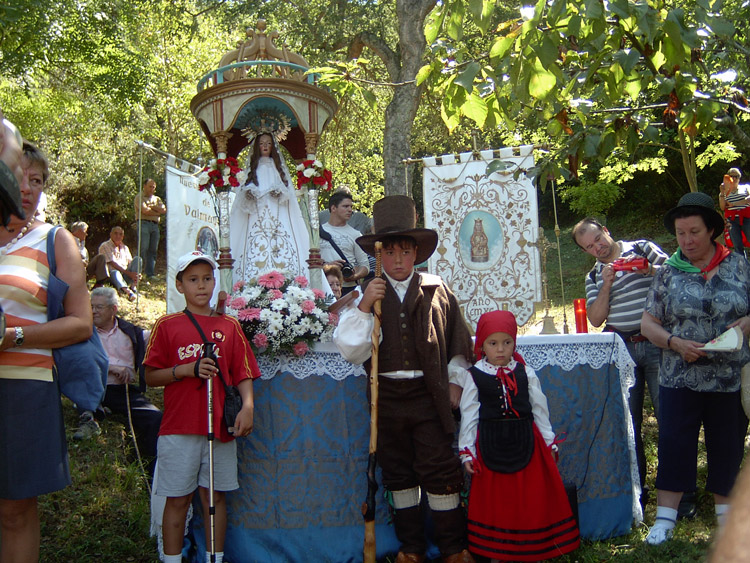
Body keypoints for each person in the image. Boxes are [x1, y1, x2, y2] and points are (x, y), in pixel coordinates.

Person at [334, 195, 475, 563]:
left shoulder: (436, 289)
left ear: (417, 254)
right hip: (387, 397)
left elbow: (456, 342)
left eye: (405, 252)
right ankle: (410, 549)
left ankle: (453, 548)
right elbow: (351, 351)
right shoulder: (367, 295)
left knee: (440, 467)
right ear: (379, 255)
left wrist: (456, 381)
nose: (398, 261)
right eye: (390, 253)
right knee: (398, 471)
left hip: (430, 395)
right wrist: (365, 305)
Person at [0, 141, 92, 563]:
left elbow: (81, 323)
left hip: (23, 388)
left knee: (14, 511)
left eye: (36, 180)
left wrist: (14, 335)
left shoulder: (56, 240)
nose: (28, 187)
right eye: (19, 175)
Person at [640, 191, 750, 545]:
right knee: (674, 442)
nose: (686, 240)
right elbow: (647, 324)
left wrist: (743, 327)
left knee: (728, 444)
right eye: (680, 233)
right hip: (679, 374)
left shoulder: (740, 264)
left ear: (712, 231)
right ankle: (665, 521)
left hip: (729, 376)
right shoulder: (668, 271)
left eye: (694, 232)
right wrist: (674, 342)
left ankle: (726, 517)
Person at [144, 251, 260, 563]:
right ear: (179, 285)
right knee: (178, 498)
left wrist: (247, 406)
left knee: (215, 497)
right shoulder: (167, 325)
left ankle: (214, 558)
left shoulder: (230, 326)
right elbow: (150, 375)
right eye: (193, 280)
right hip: (179, 427)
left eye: (207, 279)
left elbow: (244, 372)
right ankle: (171, 558)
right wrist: (184, 370)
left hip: (219, 427)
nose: (201, 286)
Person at [457, 310, 579, 560]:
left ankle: (532, 545)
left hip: (527, 441)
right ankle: (497, 549)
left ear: (514, 342)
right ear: (482, 344)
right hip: (491, 443)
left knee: (529, 496)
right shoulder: (475, 376)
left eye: (507, 342)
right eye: (493, 343)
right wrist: (467, 450)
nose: (500, 349)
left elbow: (539, 409)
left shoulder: (526, 373)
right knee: (498, 500)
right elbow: (469, 415)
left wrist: (548, 441)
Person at [572, 218, 669, 510]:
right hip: (621, 349)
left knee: (669, 418)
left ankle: (675, 488)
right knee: (630, 423)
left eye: (598, 239)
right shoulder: (594, 277)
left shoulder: (642, 248)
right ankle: (639, 490)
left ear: (607, 230)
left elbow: (677, 276)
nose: (598, 248)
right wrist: (607, 285)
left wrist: (648, 269)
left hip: (657, 344)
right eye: (589, 247)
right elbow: (596, 318)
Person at [72, 288, 162, 475]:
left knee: (155, 418)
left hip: (123, 391)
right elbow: (79, 360)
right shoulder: (84, 332)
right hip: (94, 387)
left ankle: (150, 472)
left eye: (99, 307)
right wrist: (111, 368)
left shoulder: (131, 332)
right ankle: (91, 416)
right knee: (88, 402)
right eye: (91, 307)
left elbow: (157, 337)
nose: (94, 311)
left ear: (113, 309)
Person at [229, 132, 311, 284]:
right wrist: (250, 193)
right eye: (262, 143)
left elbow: (287, 193)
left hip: (278, 214)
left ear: (273, 146)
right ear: (257, 147)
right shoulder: (254, 169)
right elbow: (244, 192)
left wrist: (279, 192)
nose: (265, 146)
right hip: (256, 215)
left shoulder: (277, 168)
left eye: (268, 143)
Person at [320, 189, 370, 295]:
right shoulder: (317, 233)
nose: (350, 210)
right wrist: (327, 266)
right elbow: (308, 260)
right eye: (345, 206)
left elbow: (365, 266)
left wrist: (354, 276)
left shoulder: (356, 234)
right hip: (323, 286)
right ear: (333, 208)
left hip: (348, 289)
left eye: (351, 207)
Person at [96, 226, 142, 301]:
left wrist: (136, 274)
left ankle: (133, 286)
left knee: (138, 259)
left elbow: (131, 262)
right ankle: (128, 292)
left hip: (125, 275)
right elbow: (112, 263)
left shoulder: (125, 248)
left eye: (120, 234)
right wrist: (129, 273)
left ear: (123, 237)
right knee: (115, 272)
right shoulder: (105, 246)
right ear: (111, 234)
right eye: (116, 233)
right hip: (112, 276)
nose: (118, 236)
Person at [134, 178, 166, 279]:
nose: (152, 189)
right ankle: (137, 272)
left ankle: (150, 274)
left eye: (153, 187)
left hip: (155, 225)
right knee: (143, 248)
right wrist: (157, 212)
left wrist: (152, 206)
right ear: (144, 186)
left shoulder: (157, 199)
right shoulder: (139, 197)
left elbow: (164, 210)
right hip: (143, 223)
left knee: (153, 249)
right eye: (150, 186)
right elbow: (145, 211)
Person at [718, 167, 750, 256]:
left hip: (747, 218)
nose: (734, 178)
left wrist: (734, 204)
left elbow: (749, 199)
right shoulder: (724, 192)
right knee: (737, 245)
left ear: (739, 178)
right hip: (732, 221)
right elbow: (722, 207)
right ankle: (742, 266)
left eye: (736, 176)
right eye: (732, 176)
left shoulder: (746, 187)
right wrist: (722, 193)